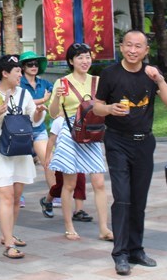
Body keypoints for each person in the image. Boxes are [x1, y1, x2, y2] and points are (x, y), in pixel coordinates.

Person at [93, 30, 167, 276]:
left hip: (144, 143)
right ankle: (120, 254)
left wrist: (160, 80)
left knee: (139, 200)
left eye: (138, 46)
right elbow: (96, 108)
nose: (133, 50)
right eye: (129, 45)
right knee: (123, 197)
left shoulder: (151, 74)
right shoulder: (109, 74)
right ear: (121, 46)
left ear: (146, 51)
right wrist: (109, 108)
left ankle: (136, 249)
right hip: (117, 142)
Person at [0, 55, 45, 259]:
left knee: (15, 198)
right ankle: (8, 245)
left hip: (20, 152)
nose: (20, 74)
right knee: (5, 196)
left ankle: (9, 235)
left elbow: (34, 120)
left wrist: (39, 112)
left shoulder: (24, 94)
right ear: (5, 73)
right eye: (17, 71)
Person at [46, 42, 113, 242]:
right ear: (71, 61)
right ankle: (69, 226)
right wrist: (57, 98)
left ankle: (104, 228)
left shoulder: (99, 81)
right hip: (69, 136)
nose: (85, 61)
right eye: (80, 57)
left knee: (99, 182)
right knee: (70, 184)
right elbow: (53, 113)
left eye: (87, 57)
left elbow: (106, 106)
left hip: (92, 135)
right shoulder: (62, 83)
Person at [41, 116, 94, 223]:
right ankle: (47, 201)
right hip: (62, 158)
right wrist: (47, 158)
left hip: (78, 157)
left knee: (80, 182)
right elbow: (51, 140)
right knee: (60, 185)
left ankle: (79, 210)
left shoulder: (80, 119)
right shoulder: (58, 121)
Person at [18, 51, 52, 208]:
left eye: (36, 64)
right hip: (21, 129)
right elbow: (24, 102)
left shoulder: (44, 83)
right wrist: (43, 99)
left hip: (39, 128)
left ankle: (54, 194)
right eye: (30, 64)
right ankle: (19, 196)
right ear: (23, 67)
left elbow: (56, 92)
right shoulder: (19, 83)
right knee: (21, 163)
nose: (33, 67)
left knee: (48, 161)